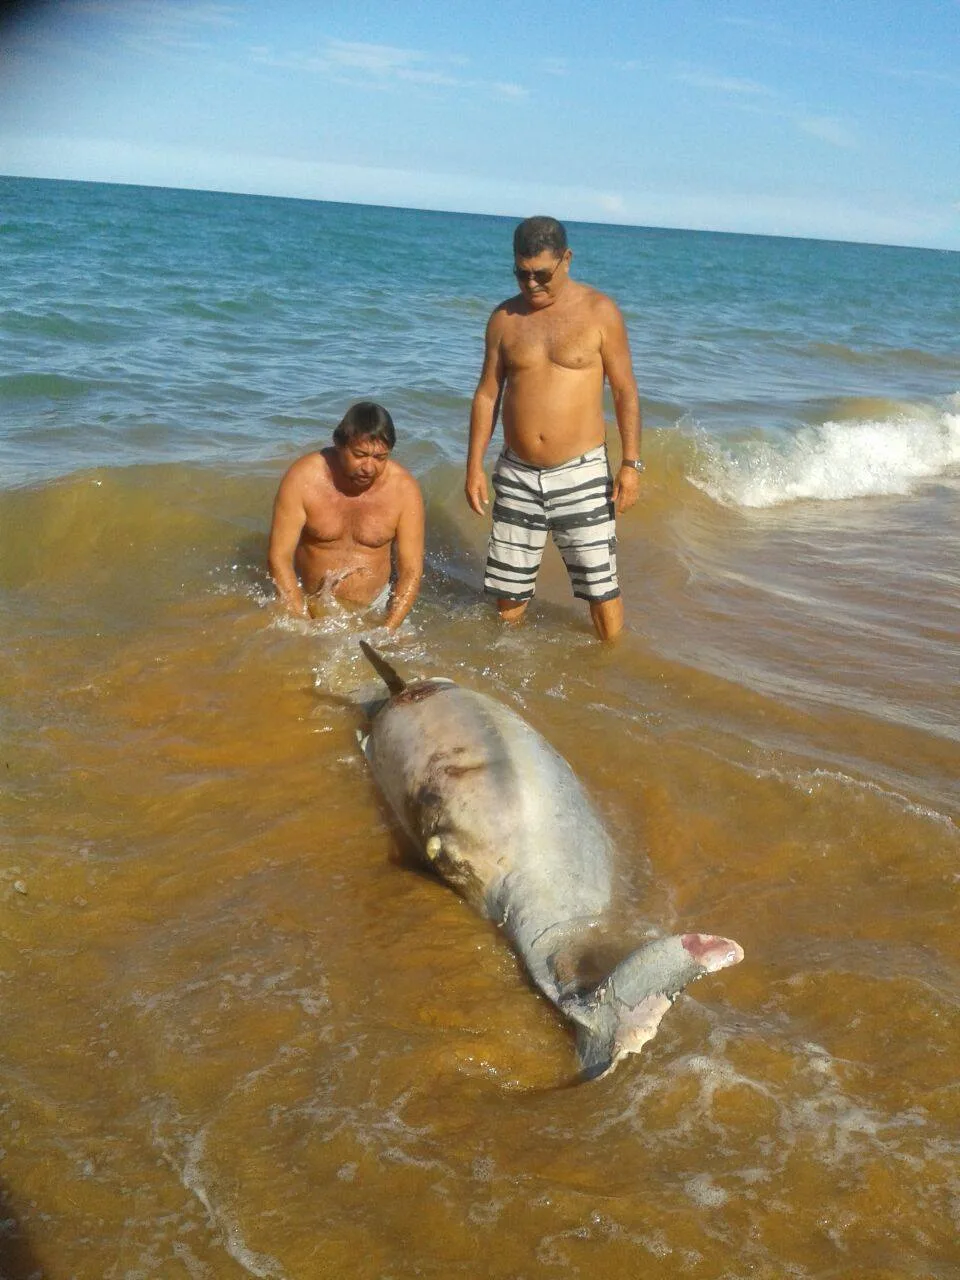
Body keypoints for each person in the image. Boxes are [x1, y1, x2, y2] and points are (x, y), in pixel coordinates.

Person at [465, 215, 643, 641]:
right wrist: (473, 465)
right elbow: (487, 394)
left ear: (566, 259)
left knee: (600, 588)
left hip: (580, 470)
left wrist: (631, 464)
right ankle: (513, 674)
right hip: (517, 472)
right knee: (508, 594)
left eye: (542, 274)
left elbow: (624, 392)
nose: (532, 285)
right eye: (521, 274)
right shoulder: (505, 319)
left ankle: (611, 672)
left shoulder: (601, 313)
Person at [268, 401, 424, 630]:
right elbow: (278, 558)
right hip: (309, 603)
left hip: (376, 607)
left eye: (380, 457)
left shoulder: (404, 490)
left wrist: (387, 629)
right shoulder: (303, 479)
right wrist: (300, 621)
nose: (369, 468)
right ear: (339, 444)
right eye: (360, 455)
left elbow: (411, 570)